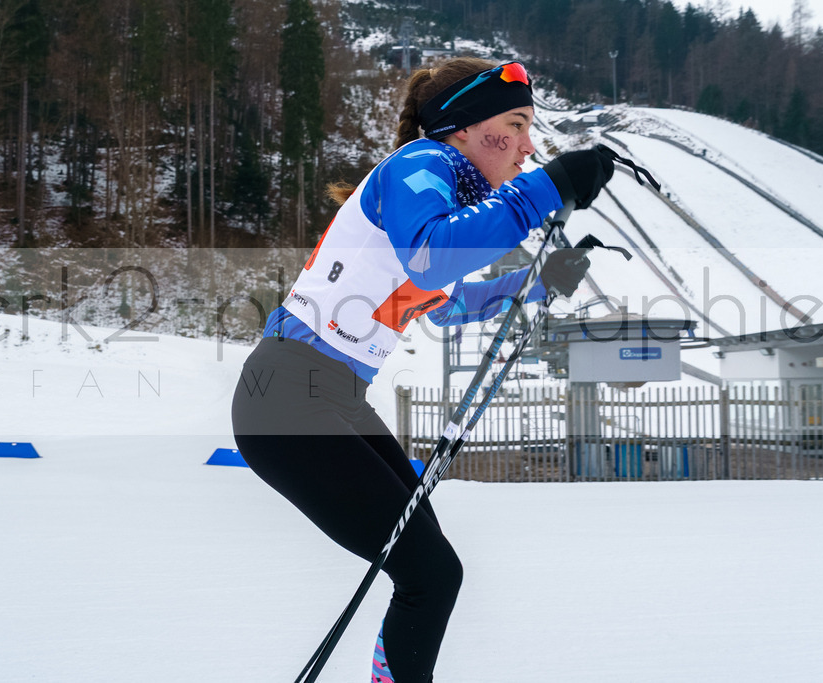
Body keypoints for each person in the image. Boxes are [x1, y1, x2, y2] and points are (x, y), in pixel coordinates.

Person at [231, 58, 616, 683]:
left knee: (431, 570)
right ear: (463, 126)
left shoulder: (436, 197)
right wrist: (547, 189)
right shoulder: (421, 163)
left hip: (329, 396)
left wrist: (540, 280)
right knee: (430, 573)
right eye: (516, 125)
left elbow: (443, 302)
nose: (528, 146)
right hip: (289, 396)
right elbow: (433, 258)